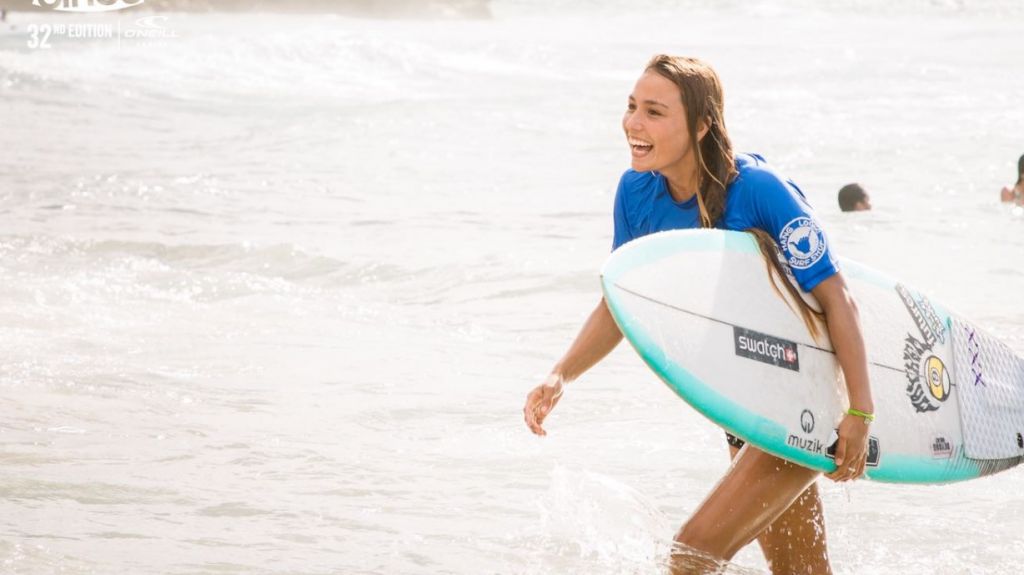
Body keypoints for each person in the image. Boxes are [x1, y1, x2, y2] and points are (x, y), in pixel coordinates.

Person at [522, 55, 874, 575]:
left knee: (692, 555)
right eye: (631, 107)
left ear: (703, 123)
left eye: (654, 112)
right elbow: (620, 301)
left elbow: (839, 298)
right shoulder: (636, 191)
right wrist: (560, 375)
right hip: (743, 408)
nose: (634, 124)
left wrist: (860, 414)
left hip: (804, 399)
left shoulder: (757, 189)